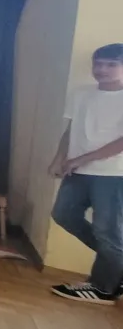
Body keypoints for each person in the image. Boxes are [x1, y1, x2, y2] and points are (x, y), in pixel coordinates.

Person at [48, 43, 123, 305]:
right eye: (98, 64)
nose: (102, 69)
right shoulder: (81, 93)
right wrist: (59, 158)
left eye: (111, 64)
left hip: (114, 175)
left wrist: (81, 159)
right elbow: (71, 130)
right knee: (63, 215)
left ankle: (103, 288)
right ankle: (117, 267)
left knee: (107, 232)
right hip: (77, 170)